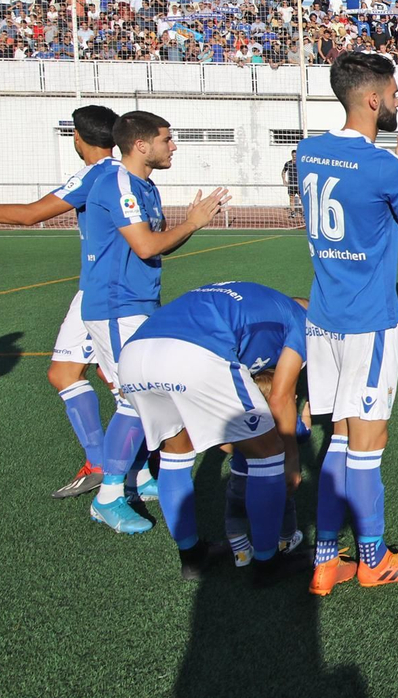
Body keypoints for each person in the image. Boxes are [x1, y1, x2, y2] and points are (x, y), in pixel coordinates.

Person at [297, 51, 398, 595]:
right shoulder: (383, 167)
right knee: (368, 440)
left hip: (324, 319)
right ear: (375, 98)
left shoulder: (308, 152)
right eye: (396, 93)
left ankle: (326, 559)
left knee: (336, 438)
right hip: (368, 322)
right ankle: (374, 560)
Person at [79, 111, 228, 535]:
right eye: (167, 139)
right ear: (141, 145)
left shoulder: (144, 185)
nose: (173, 146)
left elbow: (154, 246)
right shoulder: (118, 183)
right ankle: (107, 497)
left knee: (150, 393)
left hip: (138, 302)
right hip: (115, 306)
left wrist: (190, 223)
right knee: (133, 398)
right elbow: (146, 246)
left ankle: (137, 475)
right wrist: (193, 223)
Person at [117, 282, 307, 582]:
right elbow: (280, 396)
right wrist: (292, 457)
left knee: (174, 456)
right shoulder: (302, 320)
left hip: (133, 356)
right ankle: (268, 563)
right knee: (269, 455)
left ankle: (191, 558)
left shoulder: (259, 300)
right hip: (194, 352)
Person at [0, 105, 123, 497]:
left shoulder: (95, 175)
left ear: (80, 137)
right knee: (92, 374)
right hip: (104, 288)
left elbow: (31, 215)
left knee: (107, 380)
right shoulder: (117, 173)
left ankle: (119, 466)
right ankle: (120, 466)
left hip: (105, 291)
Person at [282, 155, 300, 223]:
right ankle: (293, 212)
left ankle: (304, 213)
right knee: (291, 198)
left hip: (298, 184)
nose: (295, 156)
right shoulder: (288, 163)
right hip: (291, 184)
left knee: (302, 198)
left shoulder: (300, 162)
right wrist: (284, 181)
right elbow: (283, 171)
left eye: (296, 155)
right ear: (292, 155)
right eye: (294, 155)